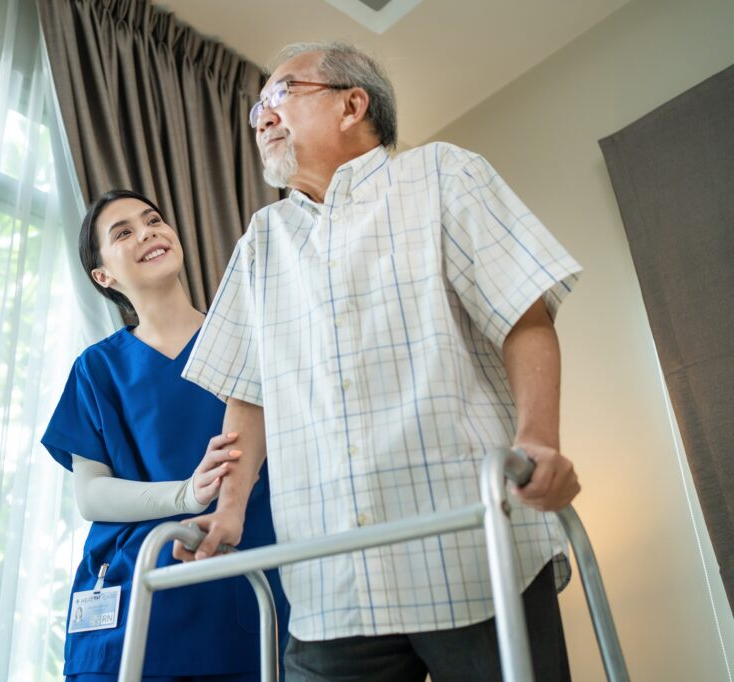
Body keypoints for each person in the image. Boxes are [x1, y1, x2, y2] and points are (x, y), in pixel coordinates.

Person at [175, 42, 581, 681]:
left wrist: (538, 441)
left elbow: (523, 318)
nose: (260, 117)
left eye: (279, 94)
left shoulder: (442, 175)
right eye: (256, 108)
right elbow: (247, 395)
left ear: (351, 105)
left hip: (469, 554)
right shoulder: (261, 243)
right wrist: (228, 510)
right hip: (330, 584)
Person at [41, 189, 289, 681]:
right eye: (124, 232)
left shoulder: (248, 344)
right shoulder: (97, 369)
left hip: (237, 583)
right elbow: (90, 495)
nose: (148, 231)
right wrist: (186, 493)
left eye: (153, 219)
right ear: (103, 276)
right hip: (135, 589)